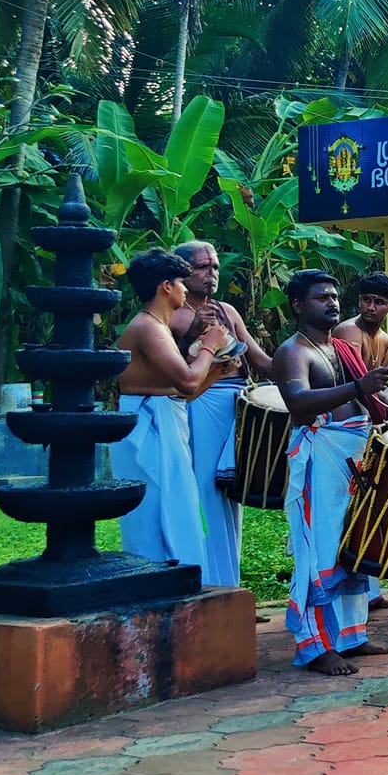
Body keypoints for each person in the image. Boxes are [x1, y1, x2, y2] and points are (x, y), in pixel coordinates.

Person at [273, 269, 388, 675]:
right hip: (319, 456)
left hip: (352, 455)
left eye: (335, 296)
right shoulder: (293, 351)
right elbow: (299, 402)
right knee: (319, 550)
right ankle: (315, 645)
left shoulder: (341, 348)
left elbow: (371, 397)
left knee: (350, 541)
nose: (332, 303)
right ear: (299, 305)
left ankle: (350, 635)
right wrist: (360, 388)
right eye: (322, 297)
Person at [112, 249, 233, 575]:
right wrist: (210, 344)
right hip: (148, 428)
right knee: (155, 514)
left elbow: (181, 394)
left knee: (177, 509)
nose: (185, 289)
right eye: (181, 282)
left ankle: (179, 580)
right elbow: (188, 380)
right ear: (167, 286)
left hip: (163, 417)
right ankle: (156, 583)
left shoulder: (156, 326)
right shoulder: (148, 328)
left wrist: (218, 373)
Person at [169, 240, 270, 590]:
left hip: (239, 407)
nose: (211, 274)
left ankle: (231, 585)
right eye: (202, 267)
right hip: (202, 403)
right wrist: (193, 335)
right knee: (208, 494)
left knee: (233, 495)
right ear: (181, 271)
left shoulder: (227, 310)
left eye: (214, 267)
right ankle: (213, 586)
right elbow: (171, 371)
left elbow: (260, 360)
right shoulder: (172, 313)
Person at [334, 271, 388, 611]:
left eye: (378, 302)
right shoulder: (347, 331)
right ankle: (347, 589)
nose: (370, 307)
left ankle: (370, 590)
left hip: (368, 425)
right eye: (366, 300)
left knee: (370, 504)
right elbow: (359, 380)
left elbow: (379, 391)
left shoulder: (381, 338)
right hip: (342, 427)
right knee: (349, 508)